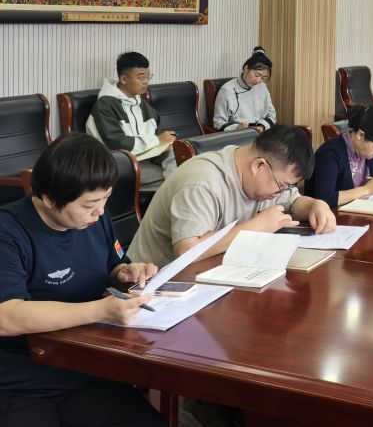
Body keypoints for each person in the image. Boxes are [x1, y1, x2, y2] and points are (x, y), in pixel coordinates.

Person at [0, 133, 165, 427]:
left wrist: (125, 273)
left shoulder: (94, 219)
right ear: (49, 199)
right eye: (90, 204)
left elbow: (113, 265)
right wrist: (100, 310)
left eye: (105, 199)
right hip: (21, 378)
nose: (100, 212)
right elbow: (7, 317)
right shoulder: (8, 233)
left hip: (84, 364)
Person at [127, 125, 335, 269]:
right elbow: (187, 251)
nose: (282, 192)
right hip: (150, 286)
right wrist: (257, 226)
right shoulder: (202, 181)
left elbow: (293, 201)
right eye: (282, 185)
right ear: (259, 165)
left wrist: (316, 206)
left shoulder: (263, 175)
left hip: (213, 274)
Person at [85, 51, 175, 190]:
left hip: (145, 155)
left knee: (178, 155)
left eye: (148, 76)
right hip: (118, 163)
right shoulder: (105, 105)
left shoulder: (138, 101)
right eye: (141, 77)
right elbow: (116, 144)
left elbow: (155, 131)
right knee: (174, 179)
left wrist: (165, 141)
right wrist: (157, 140)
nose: (146, 81)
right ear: (124, 79)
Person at [307, 106, 373, 207]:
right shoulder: (329, 154)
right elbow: (325, 199)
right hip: (329, 213)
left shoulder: (370, 152)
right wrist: (367, 189)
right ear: (360, 135)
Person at [212, 46, 277, 132]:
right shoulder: (227, 90)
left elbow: (271, 115)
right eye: (257, 75)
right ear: (246, 68)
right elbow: (218, 123)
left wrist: (261, 126)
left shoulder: (262, 87)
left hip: (261, 132)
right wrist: (237, 127)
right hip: (239, 134)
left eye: (263, 78)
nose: (258, 81)